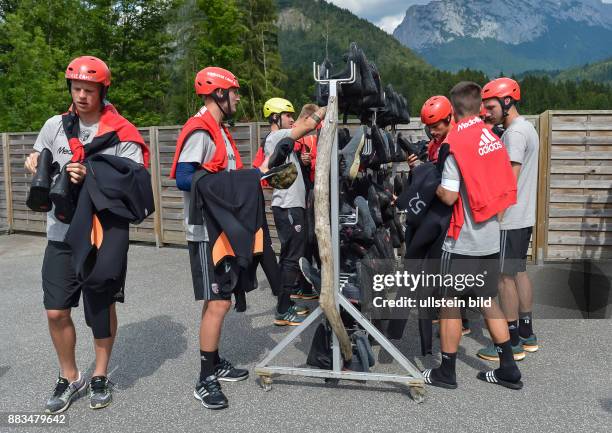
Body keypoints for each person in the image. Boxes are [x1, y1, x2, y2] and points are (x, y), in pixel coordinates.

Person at [24, 56, 146, 412]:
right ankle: (71, 375)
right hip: (61, 231)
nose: (80, 96)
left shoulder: (123, 132)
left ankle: (100, 374)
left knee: (100, 307)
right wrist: (34, 161)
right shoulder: (55, 126)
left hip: (101, 233)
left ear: (102, 90)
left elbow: (133, 184)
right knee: (55, 311)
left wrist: (90, 174)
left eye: (88, 90)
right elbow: (39, 156)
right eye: (76, 88)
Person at [422, 81, 523, 390]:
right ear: (480, 106)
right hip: (491, 234)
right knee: (486, 298)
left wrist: (434, 186)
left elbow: (450, 197)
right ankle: (508, 368)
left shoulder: (456, 144)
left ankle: (446, 372)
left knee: (450, 303)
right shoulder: (492, 137)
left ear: (452, 111)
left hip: (464, 238)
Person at [169, 66, 249, 410]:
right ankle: (205, 379)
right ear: (219, 94)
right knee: (218, 302)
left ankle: (214, 360)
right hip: (205, 230)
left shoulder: (219, 130)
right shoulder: (201, 130)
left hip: (219, 227)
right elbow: (185, 177)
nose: (237, 99)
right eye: (234, 93)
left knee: (217, 299)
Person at [477, 78, 540, 362]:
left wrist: (494, 221)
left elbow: (508, 183)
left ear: (507, 102)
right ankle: (526, 333)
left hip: (509, 219)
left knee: (504, 279)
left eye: (490, 106)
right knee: (518, 273)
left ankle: (511, 340)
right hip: (523, 216)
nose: (487, 112)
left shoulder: (514, 134)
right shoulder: (527, 128)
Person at [262, 97, 326, 326]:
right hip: (288, 206)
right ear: (275, 118)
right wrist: (327, 107)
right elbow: (308, 125)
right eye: (287, 115)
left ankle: (286, 302)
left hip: (291, 205)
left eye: (291, 115)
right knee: (291, 257)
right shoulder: (277, 136)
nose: (291, 119)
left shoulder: (281, 138)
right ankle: (282, 310)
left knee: (292, 255)